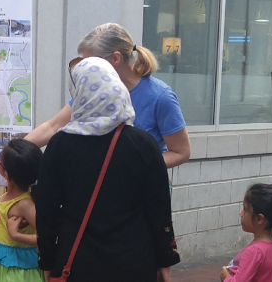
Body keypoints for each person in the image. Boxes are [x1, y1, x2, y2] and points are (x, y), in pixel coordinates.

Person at [34, 58, 180, 282]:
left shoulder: (60, 145)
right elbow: (159, 209)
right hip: (134, 261)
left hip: (77, 261)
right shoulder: (144, 144)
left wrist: (47, 260)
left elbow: (47, 210)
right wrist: (165, 259)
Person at [0, 23, 190, 175]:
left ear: (115, 58)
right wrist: (2, 157)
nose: (83, 68)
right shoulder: (91, 91)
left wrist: (133, 168)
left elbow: (181, 152)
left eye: (90, 60)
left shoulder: (161, 97)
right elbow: (52, 126)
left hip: (139, 196)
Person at [0, 139, 45, 282]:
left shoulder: (25, 204)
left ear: (8, 173)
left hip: (17, 273)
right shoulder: (7, 196)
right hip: (0, 268)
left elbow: (48, 239)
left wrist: (16, 235)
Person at [220, 184, 272, 282]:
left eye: (245, 209)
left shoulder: (255, 251)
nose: (241, 213)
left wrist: (226, 277)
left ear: (259, 218)